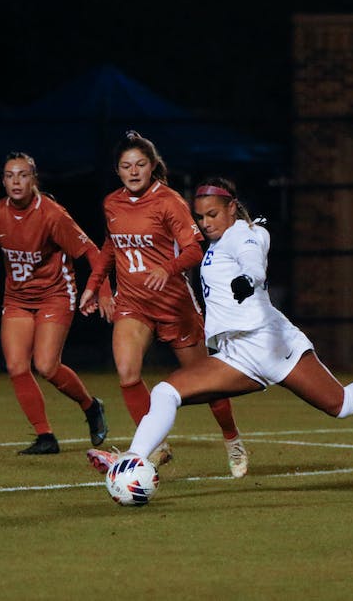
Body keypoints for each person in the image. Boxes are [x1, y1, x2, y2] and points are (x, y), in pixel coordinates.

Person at [86, 176, 353, 479]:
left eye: (212, 215)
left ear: (232, 208)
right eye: (201, 217)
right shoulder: (216, 243)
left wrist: (248, 278)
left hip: (271, 344)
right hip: (236, 353)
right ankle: (132, 460)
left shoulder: (245, 232)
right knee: (166, 392)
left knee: (341, 404)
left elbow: (254, 260)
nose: (205, 223)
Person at [79, 132, 247, 477]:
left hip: (174, 306)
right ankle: (154, 447)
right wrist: (94, 286)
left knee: (210, 383)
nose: (134, 171)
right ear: (117, 170)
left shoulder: (169, 201)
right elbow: (111, 247)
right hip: (133, 304)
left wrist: (167, 268)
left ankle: (232, 439)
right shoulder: (112, 203)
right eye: (126, 166)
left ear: (153, 166)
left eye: (140, 164)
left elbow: (194, 250)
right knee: (127, 374)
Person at [0, 152, 109, 455]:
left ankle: (90, 407)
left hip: (56, 294)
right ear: (3, 180)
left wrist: (102, 290)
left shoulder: (52, 214)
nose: (16, 181)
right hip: (17, 298)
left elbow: (91, 250)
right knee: (16, 366)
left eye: (23, 175)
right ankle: (45, 437)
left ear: (34, 178)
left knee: (46, 366)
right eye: (10, 175)